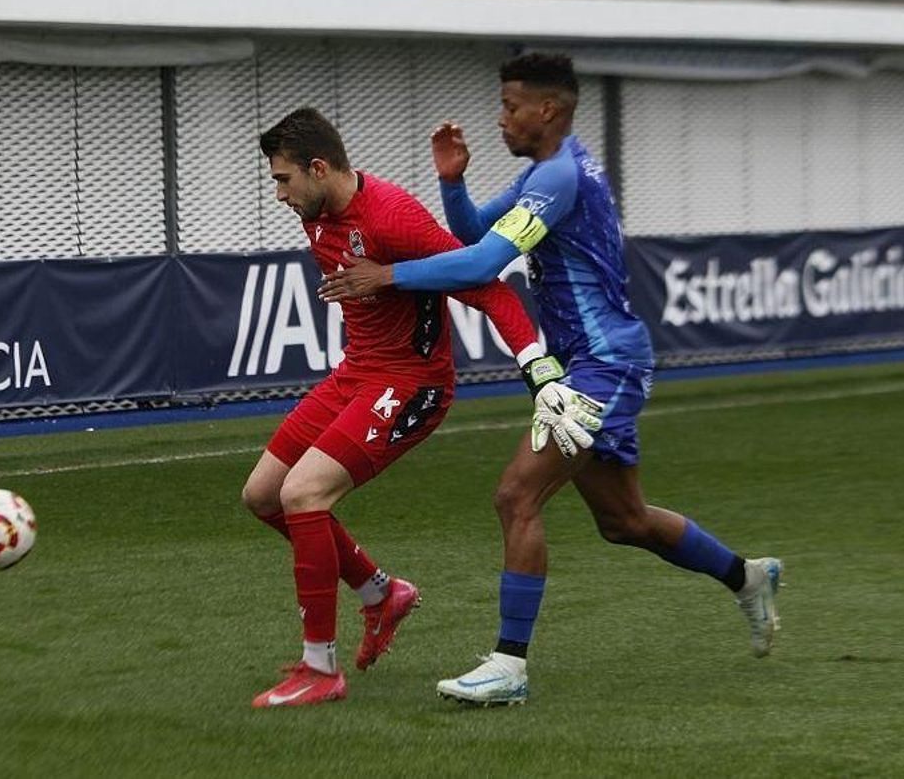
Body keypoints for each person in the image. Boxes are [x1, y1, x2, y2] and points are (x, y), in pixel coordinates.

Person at [318, 54, 781, 707]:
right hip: (591, 364)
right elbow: (476, 235)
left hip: (604, 365)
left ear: (549, 110)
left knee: (517, 495)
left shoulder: (560, 176)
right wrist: (453, 184)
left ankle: (509, 666)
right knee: (624, 520)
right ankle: (748, 577)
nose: (501, 118)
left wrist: (387, 276)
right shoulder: (549, 173)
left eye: (511, 107)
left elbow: (481, 265)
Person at [245, 107, 552, 709]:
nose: (279, 194)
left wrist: (535, 366)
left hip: (411, 383)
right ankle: (380, 593)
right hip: (355, 373)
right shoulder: (317, 213)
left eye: (284, 179)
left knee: (302, 494)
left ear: (318, 168)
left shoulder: (391, 214)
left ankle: (320, 669)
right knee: (262, 495)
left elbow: (488, 288)